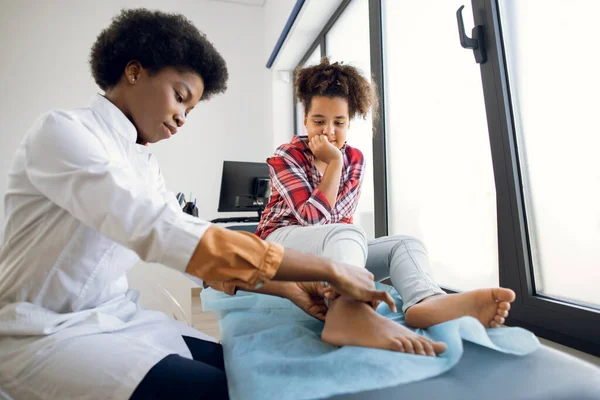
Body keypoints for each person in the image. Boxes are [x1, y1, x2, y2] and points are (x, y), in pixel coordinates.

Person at [0, 10, 396, 400]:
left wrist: (288, 288)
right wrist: (328, 268)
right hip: (43, 333)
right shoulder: (63, 133)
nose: (183, 118)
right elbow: (159, 230)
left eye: (190, 109)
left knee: (245, 371)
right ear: (134, 72)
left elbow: (192, 257)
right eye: (180, 97)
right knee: (222, 391)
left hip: (118, 318)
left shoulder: (144, 164)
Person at [255, 58, 516, 357]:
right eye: (319, 121)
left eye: (339, 122)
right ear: (305, 119)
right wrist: (335, 163)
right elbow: (312, 219)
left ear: (350, 121)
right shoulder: (287, 155)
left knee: (404, 244)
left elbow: (340, 222)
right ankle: (347, 312)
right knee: (346, 232)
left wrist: (340, 162)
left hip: (330, 249)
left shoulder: (356, 158)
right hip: (279, 246)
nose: (329, 131)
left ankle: (425, 302)